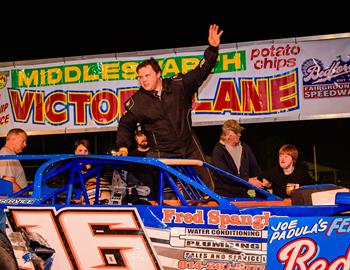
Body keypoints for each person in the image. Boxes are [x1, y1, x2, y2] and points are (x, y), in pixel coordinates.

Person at [116, 24, 223, 191]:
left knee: (207, 188)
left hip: (189, 147)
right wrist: (122, 146)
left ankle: (211, 210)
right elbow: (124, 125)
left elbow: (200, 72)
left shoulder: (179, 85)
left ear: (158, 74)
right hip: (161, 152)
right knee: (155, 192)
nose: (143, 80)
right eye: (140, 77)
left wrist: (213, 48)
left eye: (147, 75)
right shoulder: (138, 102)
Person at [211, 120, 262, 197]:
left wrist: (261, 179)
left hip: (243, 195)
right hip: (224, 196)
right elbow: (225, 174)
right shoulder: (218, 150)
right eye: (237, 133)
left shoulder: (245, 148)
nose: (240, 135)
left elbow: (255, 168)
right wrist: (247, 180)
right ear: (229, 134)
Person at [0, 128, 28, 192]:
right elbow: (9, 183)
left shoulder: (9, 154)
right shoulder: (6, 155)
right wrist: (24, 199)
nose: (25, 145)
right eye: (23, 141)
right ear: (13, 139)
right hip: (16, 199)